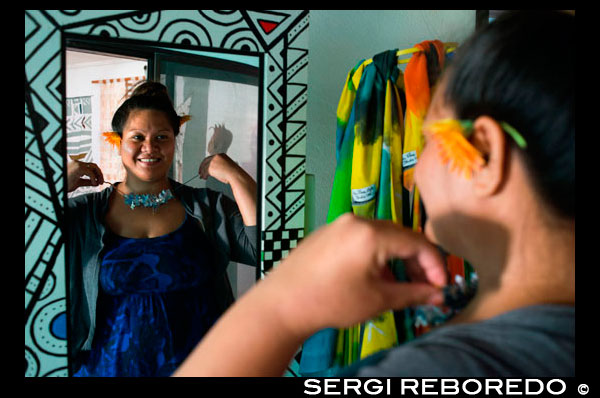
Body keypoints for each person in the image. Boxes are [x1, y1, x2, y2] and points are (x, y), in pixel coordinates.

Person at [173, 10, 574, 377]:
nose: (412, 178)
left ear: (485, 154)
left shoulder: (434, 371)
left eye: (429, 137)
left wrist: (282, 307)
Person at [66, 81, 258, 376]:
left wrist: (237, 178)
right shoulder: (85, 214)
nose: (150, 147)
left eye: (162, 137)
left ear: (174, 141)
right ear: (118, 141)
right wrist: (62, 180)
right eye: (137, 137)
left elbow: (266, 249)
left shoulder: (206, 207)